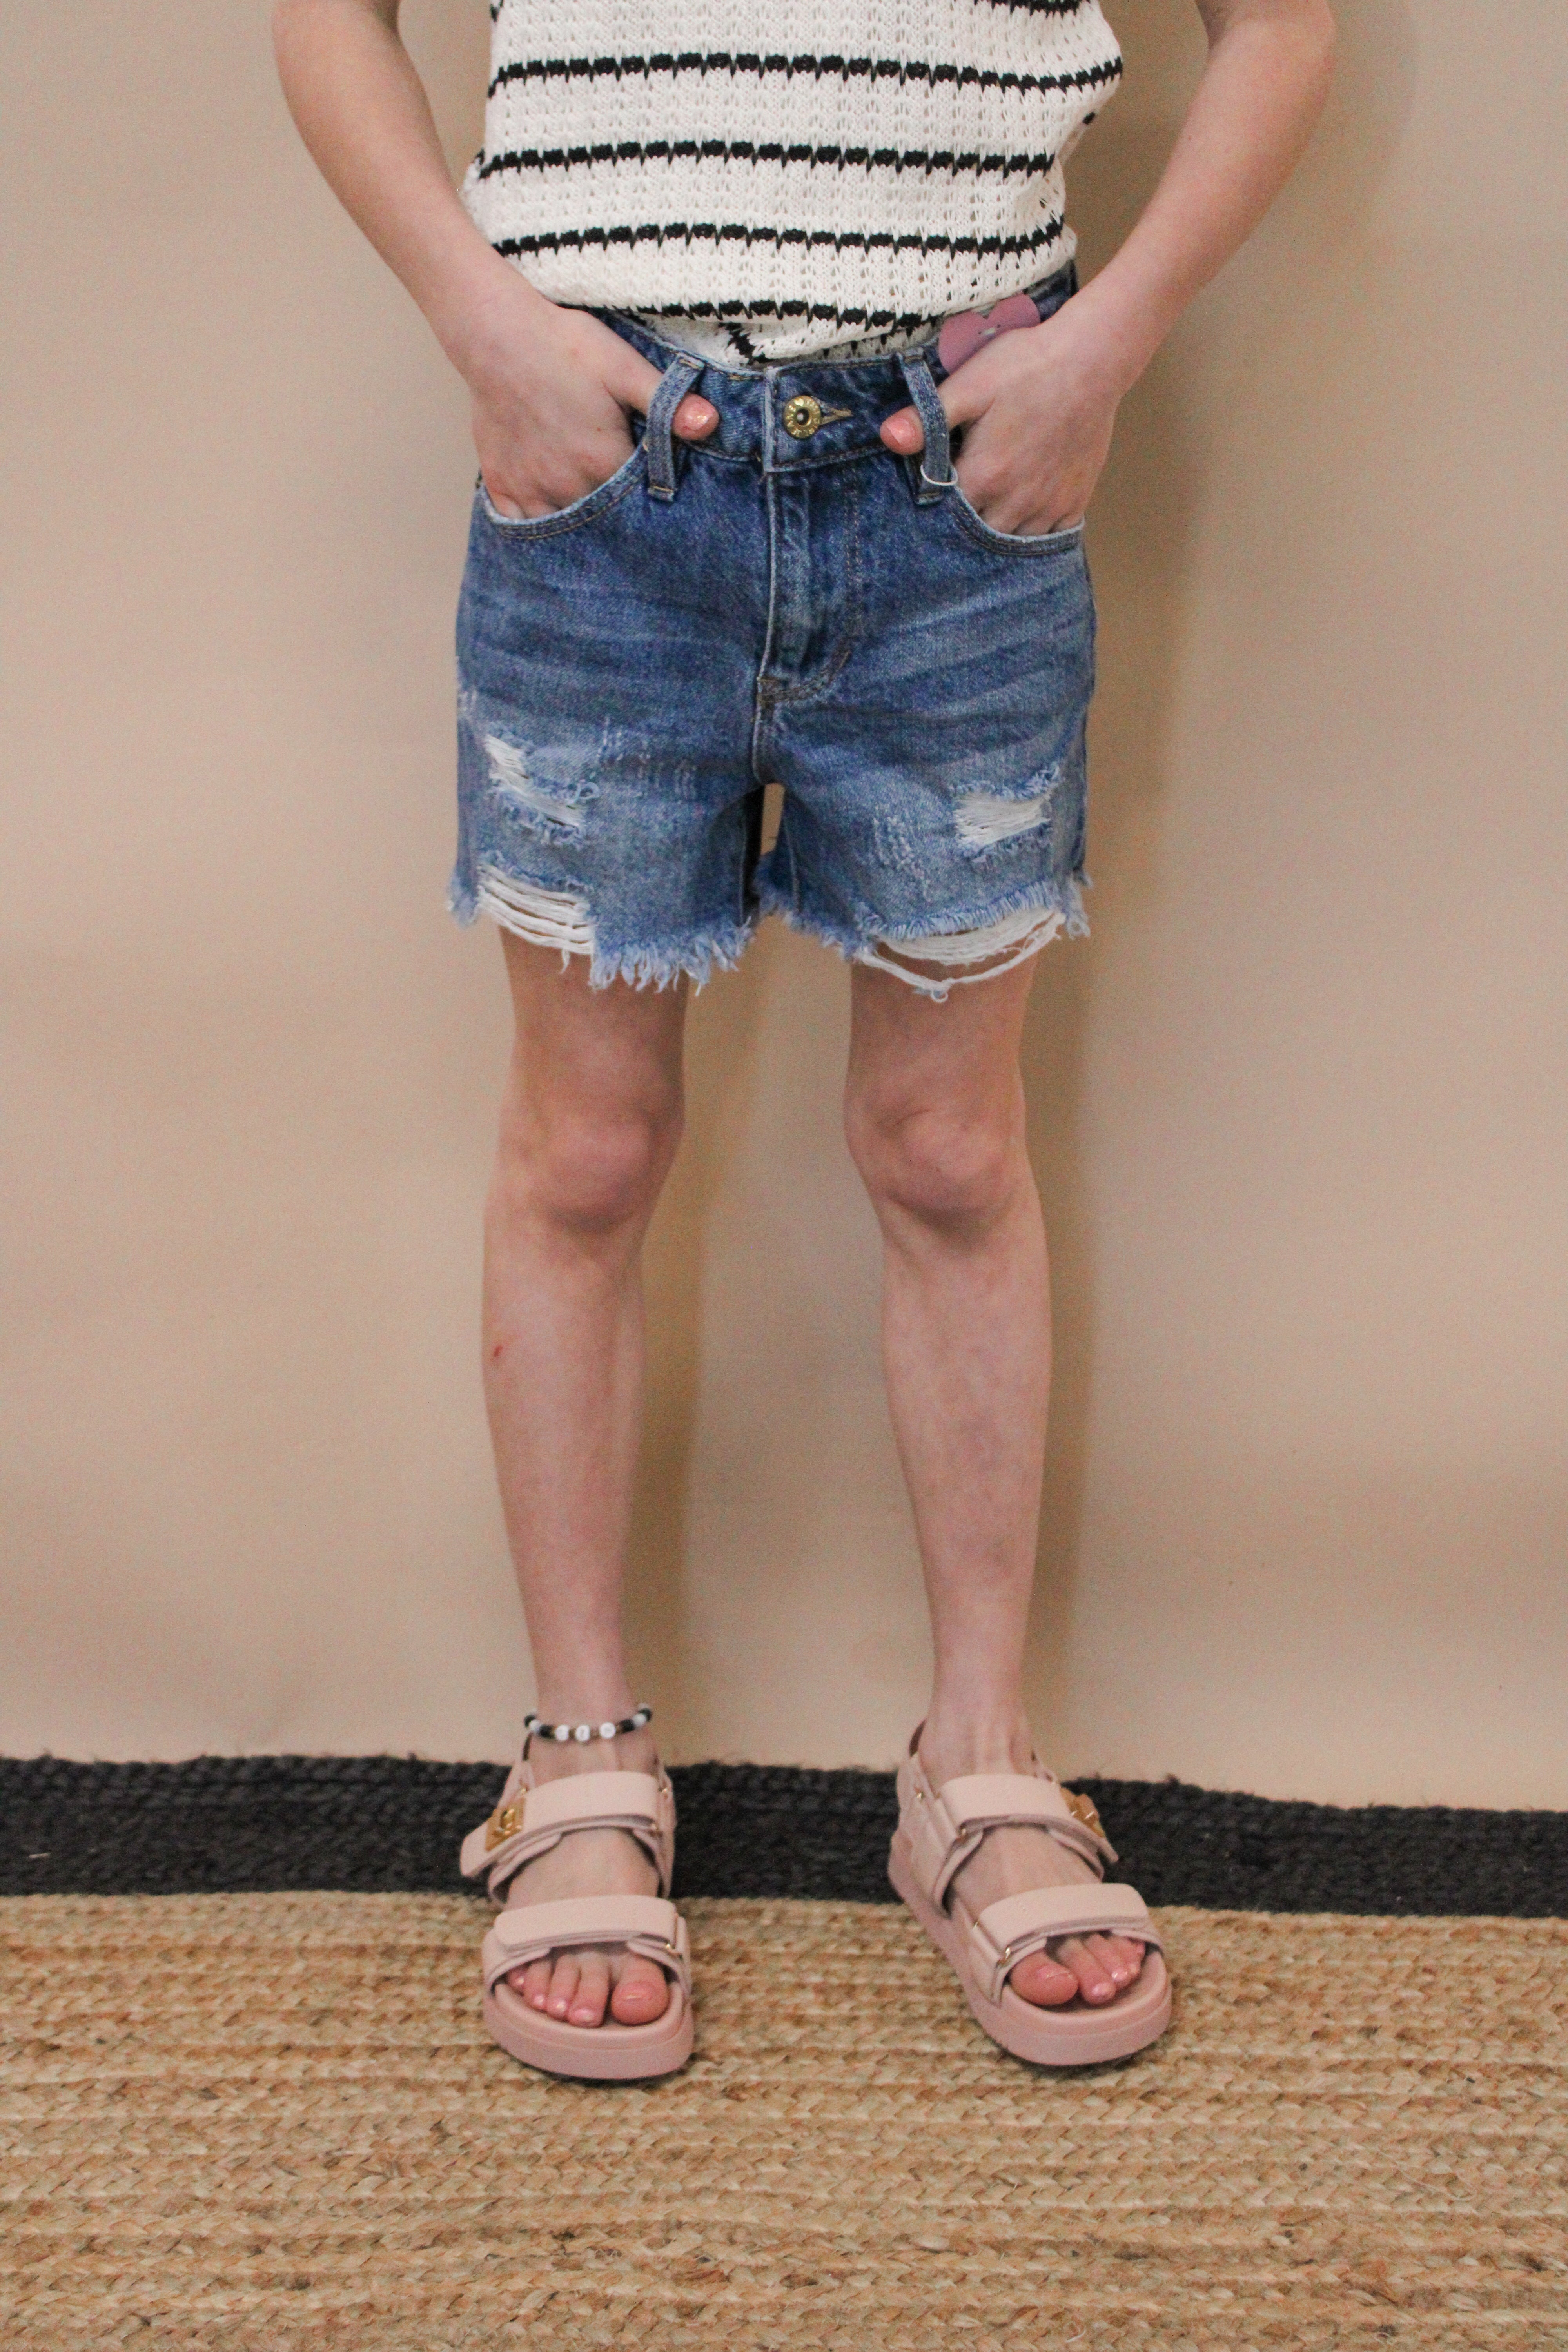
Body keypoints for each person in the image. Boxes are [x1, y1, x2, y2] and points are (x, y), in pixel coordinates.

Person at [275, 0, 1334, 2078]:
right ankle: (581, 1760)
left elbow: (1283, 28)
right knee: (587, 1149)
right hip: (603, 491)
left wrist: (1104, 352)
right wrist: (481, 322)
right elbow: (326, 21)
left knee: (949, 1149)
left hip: (954, 495)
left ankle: (981, 1764)